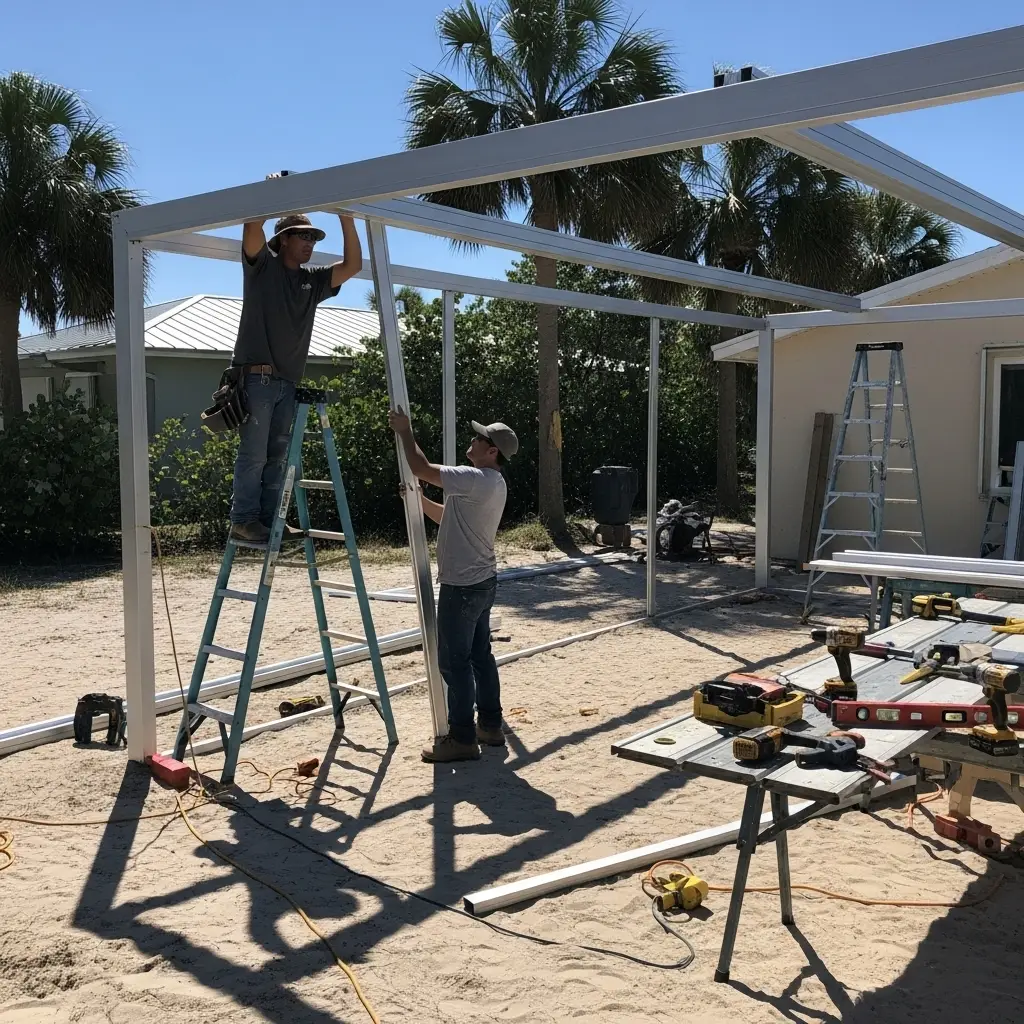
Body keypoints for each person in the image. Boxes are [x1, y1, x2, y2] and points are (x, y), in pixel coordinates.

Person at [228, 197, 362, 544]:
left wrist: (347, 218)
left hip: (287, 382)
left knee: (277, 458)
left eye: (314, 239)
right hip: (257, 377)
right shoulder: (263, 269)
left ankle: (270, 522)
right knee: (254, 454)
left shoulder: (313, 281)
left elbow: (353, 266)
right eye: (303, 236)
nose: (310, 244)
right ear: (283, 239)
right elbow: (251, 228)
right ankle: (243, 519)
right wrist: (278, 194)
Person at [389, 409, 519, 762]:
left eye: (480, 439)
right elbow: (449, 518)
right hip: (481, 582)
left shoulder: (475, 478)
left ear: (492, 451)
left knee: (453, 662)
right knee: (479, 656)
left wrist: (405, 431)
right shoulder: (491, 484)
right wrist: (418, 501)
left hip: (462, 586)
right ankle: (490, 725)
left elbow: (421, 468)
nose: (473, 441)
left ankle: (462, 738)